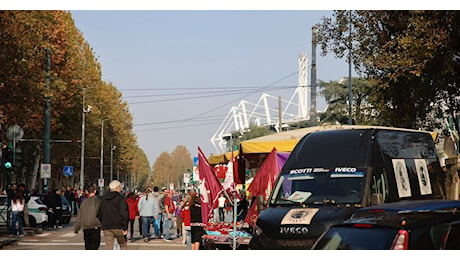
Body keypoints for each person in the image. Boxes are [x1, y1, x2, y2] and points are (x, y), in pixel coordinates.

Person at [97, 180, 129, 250]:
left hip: (107, 227)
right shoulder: (121, 199)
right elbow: (124, 213)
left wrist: (103, 225)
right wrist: (125, 227)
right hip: (119, 226)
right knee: (123, 245)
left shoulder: (104, 199)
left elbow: (99, 213)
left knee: (109, 246)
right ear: (118, 188)